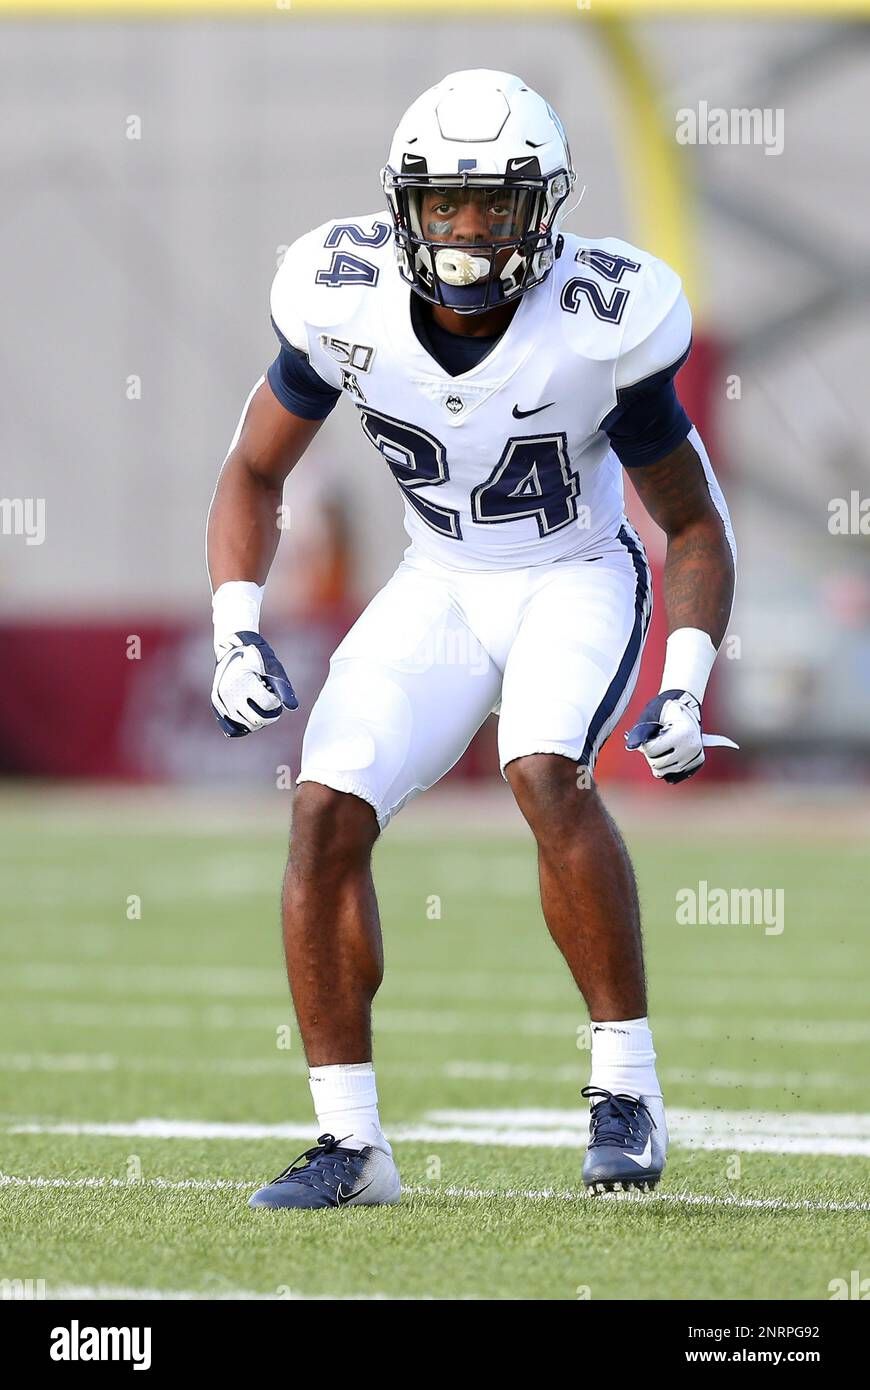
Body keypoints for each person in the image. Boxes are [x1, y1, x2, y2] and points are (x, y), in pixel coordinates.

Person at [206, 69, 736, 1209]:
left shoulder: (604, 317)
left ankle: (626, 1093)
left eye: (493, 204)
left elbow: (690, 521)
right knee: (322, 810)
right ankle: (353, 1146)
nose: (465, 228)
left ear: (542, 209)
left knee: (544, 771)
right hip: (439, 580)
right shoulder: (338, 295)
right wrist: (233, 628)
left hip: (574, 573)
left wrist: (687, 682)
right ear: (406, 204)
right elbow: (253, 468)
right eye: (444, 203)